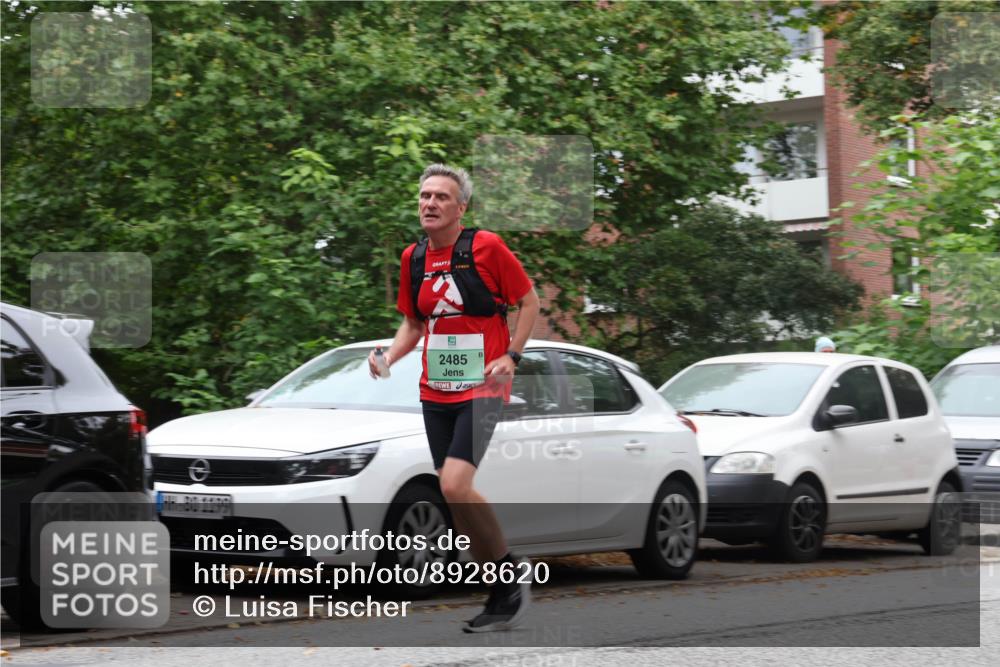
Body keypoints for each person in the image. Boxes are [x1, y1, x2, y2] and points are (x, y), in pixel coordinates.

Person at [368, 163, 540, 633]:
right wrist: (388, 356)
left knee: (455, 485)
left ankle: (508, 573)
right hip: (436, 388)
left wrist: (512, 356)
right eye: (425, 196)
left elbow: (529, 302)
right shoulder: (413, 258)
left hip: (486, 384)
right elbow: (414, 323)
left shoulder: (486, 247)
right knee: (454, 498)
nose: (430, 203)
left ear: (461, 208)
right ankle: (501, 591)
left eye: (441, 197)